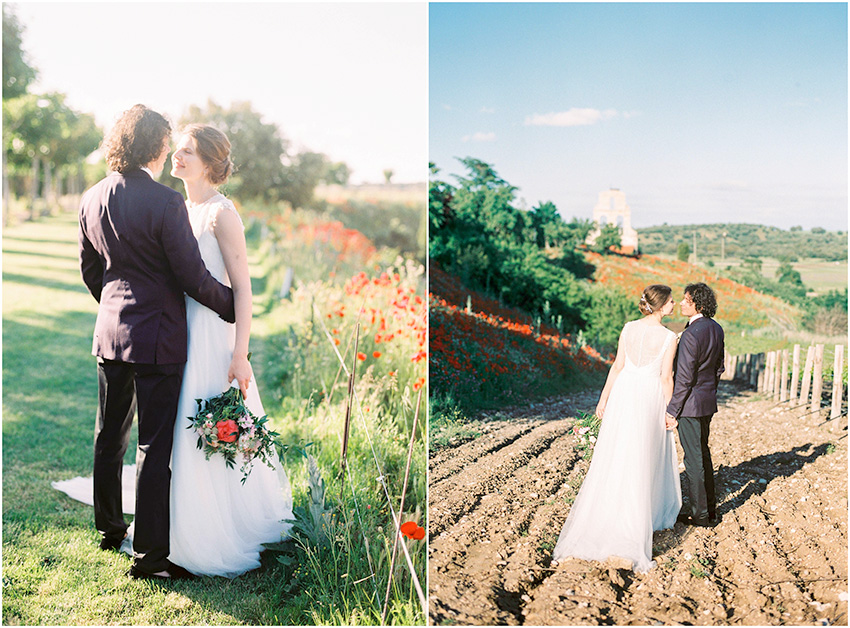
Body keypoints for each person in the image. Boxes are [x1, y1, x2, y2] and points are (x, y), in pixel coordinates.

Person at [79, 105, 236, 581]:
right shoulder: (167, 203)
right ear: (156, 146)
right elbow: (192, 276)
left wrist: (113, 307)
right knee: (153, 446)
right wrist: (232, 305)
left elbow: (91, 272)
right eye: (167, 142)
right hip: (159, 339)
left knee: (109, 437)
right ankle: (149, 557)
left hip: (111, 334)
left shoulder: (91, 197)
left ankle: (108, 529)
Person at [145, 123, 293, 577]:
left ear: (209, 163)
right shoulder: (177, 207)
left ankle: (214, 529)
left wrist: (241, 353)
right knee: (177, 425)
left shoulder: (221, 214)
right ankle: (174, 524)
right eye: (179, 150)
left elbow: (243, 289)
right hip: (178, 329)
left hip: (213, 335)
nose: (177, 157)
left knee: (210, 419)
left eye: (187, 152)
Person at [552, 285, 681, 573]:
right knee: (642, 455)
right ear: (661, 306)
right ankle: (633, 523)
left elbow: (617, 366)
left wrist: (604, 397)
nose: (674, 304)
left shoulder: (628, 328)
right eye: (671, 300)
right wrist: (670, 410)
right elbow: (666, 378)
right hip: (648, 397)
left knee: (619, 453)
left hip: (624, 393)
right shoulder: (669, 337)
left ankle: (610, 514)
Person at [665, 283, 725, 528]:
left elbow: (685, 377)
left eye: (686, 300)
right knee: (703, 455)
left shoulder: (691, 333)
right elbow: (719, 368)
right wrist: (707, 391)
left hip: (689, 405)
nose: (680, 303)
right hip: (706, 402)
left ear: (697, 305)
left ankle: (700, 515)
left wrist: (672, 409)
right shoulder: (716, 328)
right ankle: (708, 510)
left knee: (693, 460)